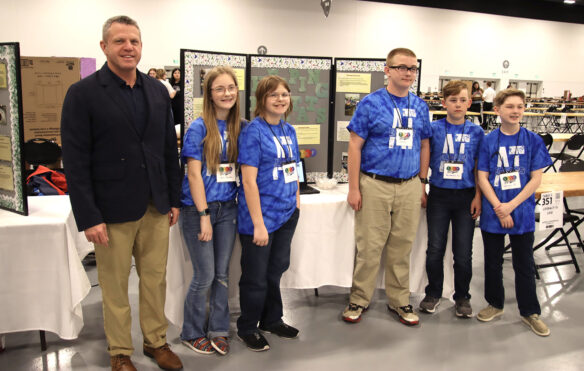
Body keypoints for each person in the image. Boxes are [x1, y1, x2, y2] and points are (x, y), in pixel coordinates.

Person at [60, 15, 183, 371]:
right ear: (104, 47)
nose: (128, 47)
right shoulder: (83, 94)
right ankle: (119, 351)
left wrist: (174, 199)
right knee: (114, 287)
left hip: (156, 206)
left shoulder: (157, 91)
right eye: (120, 41)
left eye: (134, 41)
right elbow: (76, 160)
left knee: (155, 280)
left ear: (141, 47)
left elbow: (166, 151)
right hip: (110, 211)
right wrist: (89, 216)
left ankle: (156, 342)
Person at [342, 48, 431, 326]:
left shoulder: (419, 106)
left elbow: (425, 144)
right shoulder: (370, 104)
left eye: (412, 69)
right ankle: (359, 298)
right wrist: (354, 187)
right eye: (402, 67)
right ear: (388, 70)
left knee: (402, 248)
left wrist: (423, 182)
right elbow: (355, 146)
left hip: (408, 185)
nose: (408, 73)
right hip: (375, 184)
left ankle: (400, 301)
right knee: (369, 247)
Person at [476, 89, 552, 337]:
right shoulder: (488, 141)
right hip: (493, 212)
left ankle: (530, 312)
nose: (516, 111)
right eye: (510, 106)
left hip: (522, 212)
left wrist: (511, 206)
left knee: (524, 264)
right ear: (497, 109)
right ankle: (495, 304)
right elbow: (482, 177)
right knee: (493, 263)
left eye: (520, 106)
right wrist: (499, 207)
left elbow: (535, 179)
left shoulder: (533, 140)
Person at [179, 66, 241, 356]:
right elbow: (193, 175)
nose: (226, 93)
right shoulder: (198, 127)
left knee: (222, 274)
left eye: (231, 87)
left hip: (228, 208)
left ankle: (218, 329)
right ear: (209, 94)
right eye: (220, 89)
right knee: (204, 275)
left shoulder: (241, 126)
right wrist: (203, 215)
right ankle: (191, 331)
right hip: (199, 210)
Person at [236, 75, 301, 351]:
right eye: (273, 95)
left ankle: (272, 319)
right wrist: (258, 224)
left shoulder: (289, 130)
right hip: (260, 219)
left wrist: (296, 202)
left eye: (284, 94)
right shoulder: (253, 131)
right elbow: (248, 181)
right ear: (261, 100)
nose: (280, 99)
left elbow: (294, 168)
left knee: (275, 271)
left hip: (286, 214)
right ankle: (248, 326)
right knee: (255, 276)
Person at [418, 81, 483, 318]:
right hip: (439, 195)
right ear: (444, 103)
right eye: (453, 100)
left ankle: (462, 296)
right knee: (435, 248)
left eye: (463, 100)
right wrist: (421, 186)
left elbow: (478, 166)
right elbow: (425, 157)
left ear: (469, 103)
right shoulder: (433, 129)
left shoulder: (476, 132)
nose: (458, 104)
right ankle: (433, 292)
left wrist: (478, 196)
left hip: (466, 197)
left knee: (463, 253)